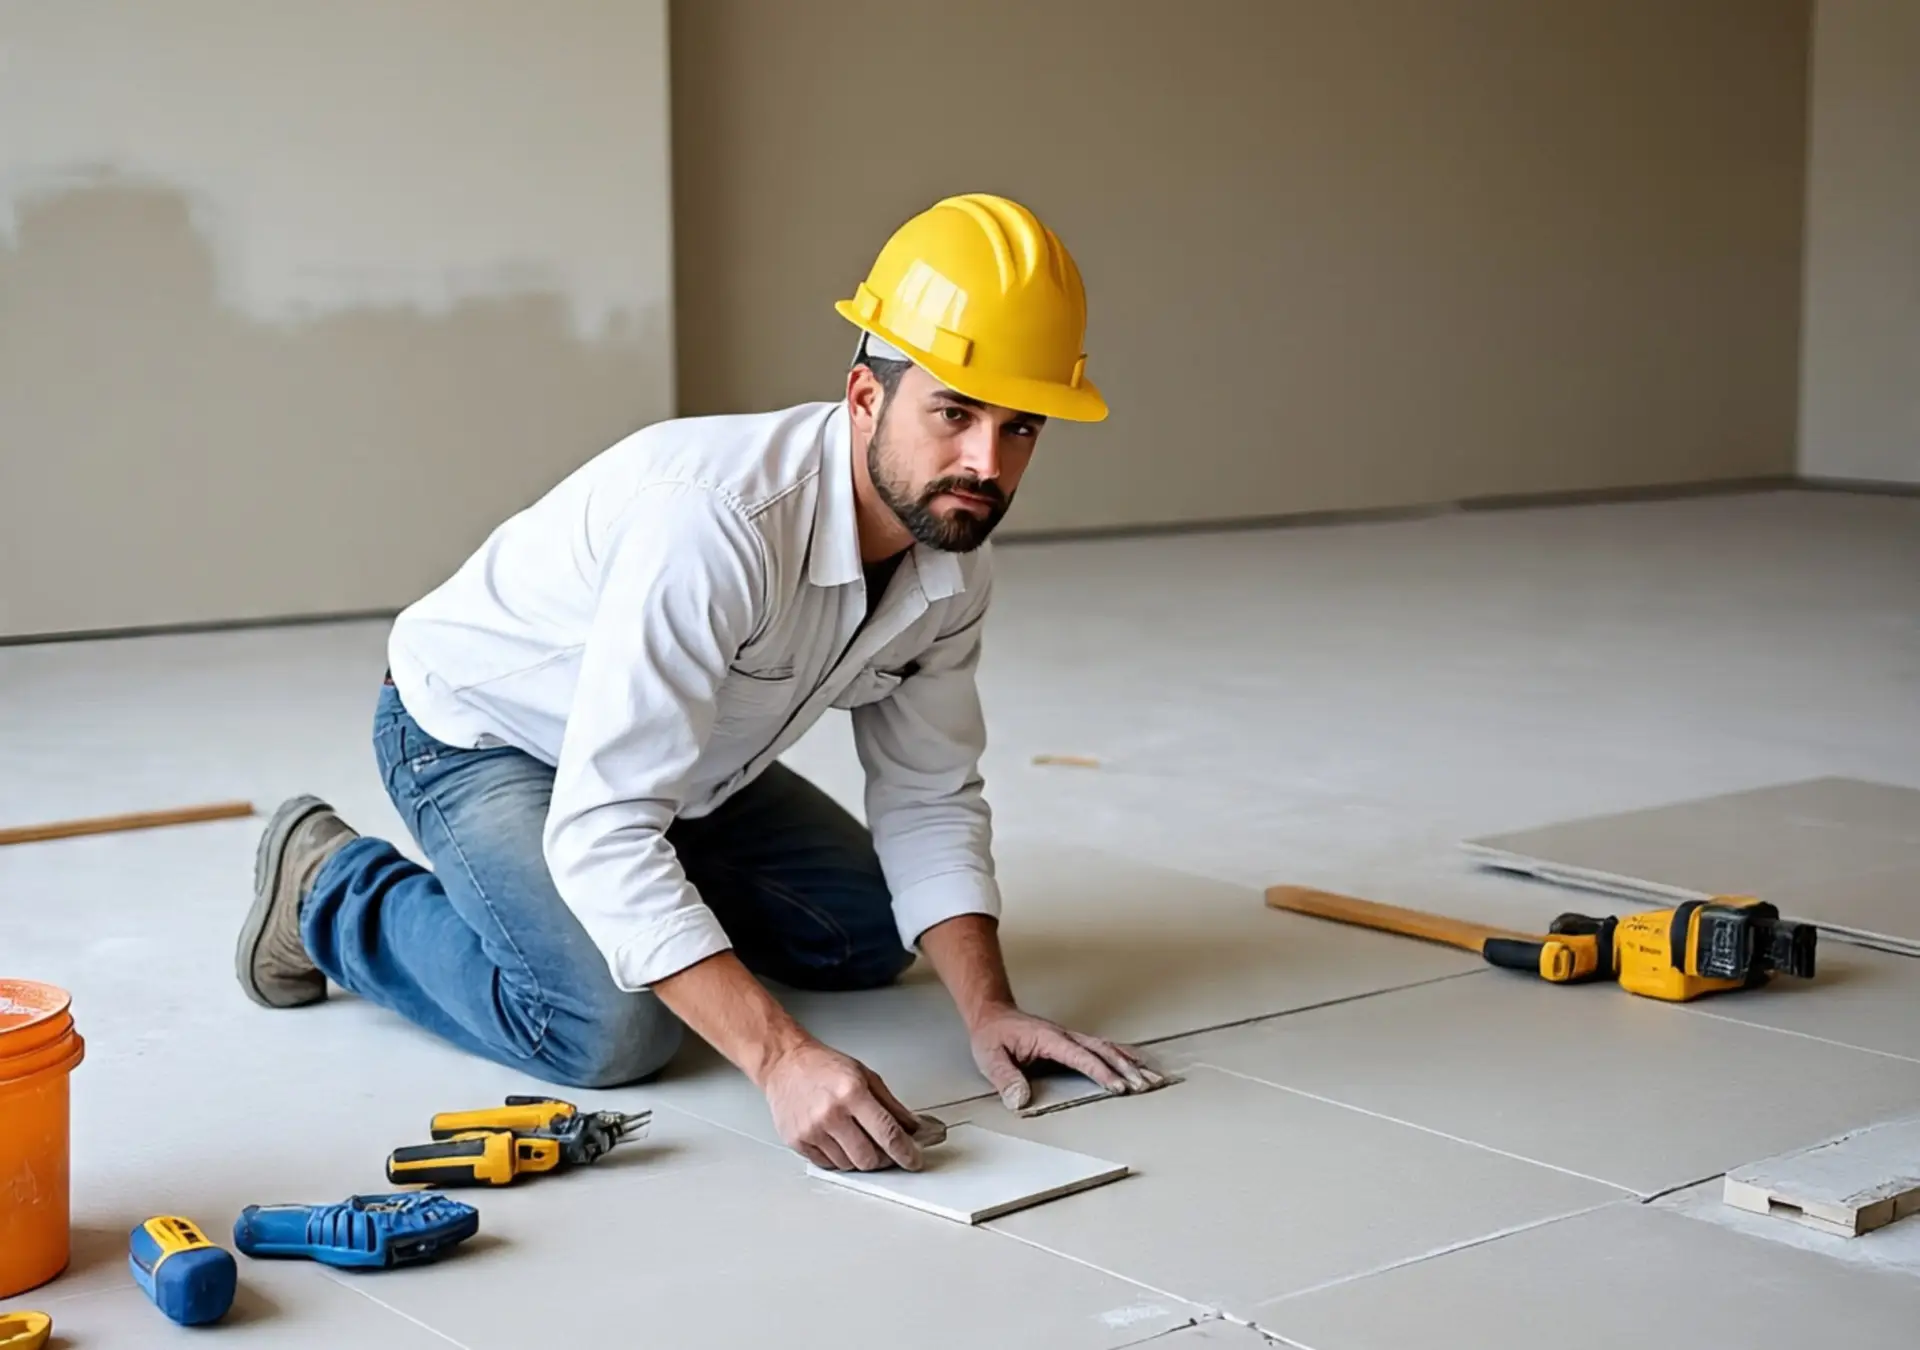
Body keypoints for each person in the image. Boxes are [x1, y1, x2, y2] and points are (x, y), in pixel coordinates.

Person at [235, 192, 1160, 1174]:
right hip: (483, 735)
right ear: (865, 399)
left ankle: (651, 921)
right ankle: (331, 891)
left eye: (1021, 428)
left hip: (684, 757)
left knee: (865, 938)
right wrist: (781, 1057)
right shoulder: (716, 525)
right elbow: (601, 825)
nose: (986, 462)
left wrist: (988, 1009)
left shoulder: (951, 557)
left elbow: (930, 791)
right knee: (606, 1029)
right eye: (955, 413)